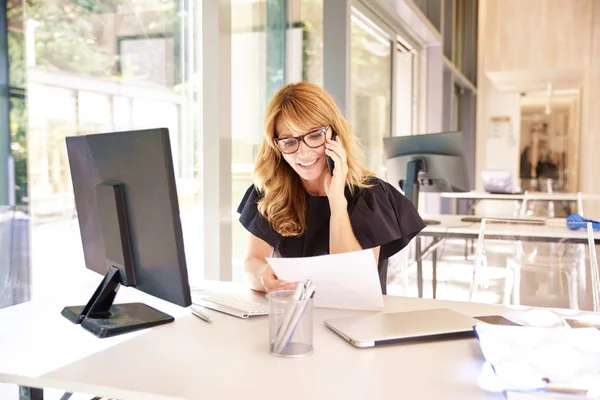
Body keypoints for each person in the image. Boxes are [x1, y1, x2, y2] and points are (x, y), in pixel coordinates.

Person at [237, 82, 425, 294]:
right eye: (289, 142)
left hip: (355, 322)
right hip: (294, 318)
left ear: (335, 134)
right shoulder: (271, 191)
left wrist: (337, 202)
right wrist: (262, 275)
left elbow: (352, 282)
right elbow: (252, 263)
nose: (304, 153)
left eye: (315, 136)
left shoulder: (371, 195)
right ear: (276, 146)